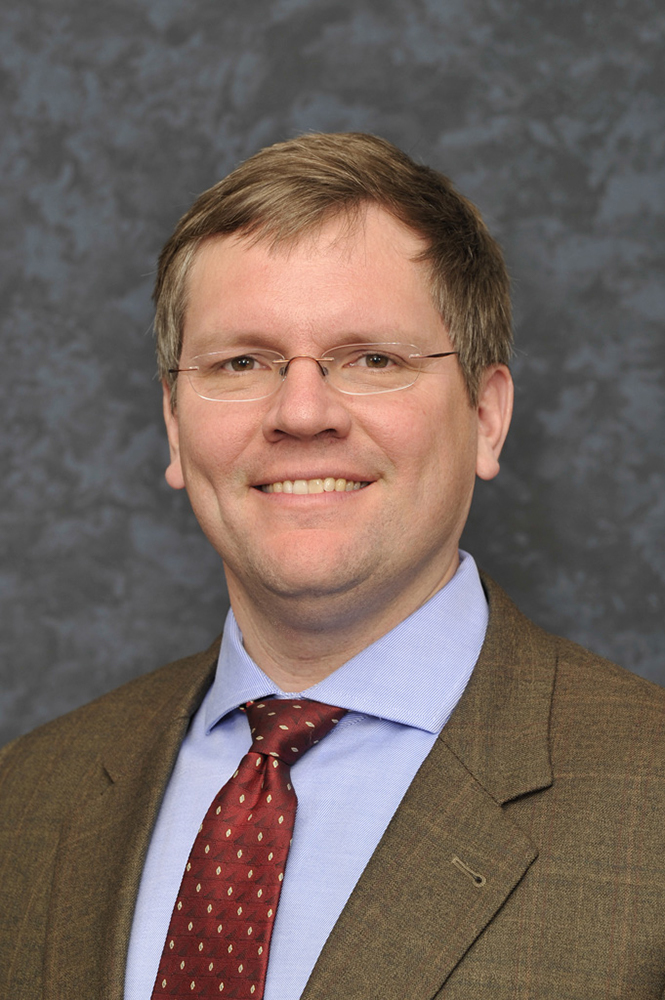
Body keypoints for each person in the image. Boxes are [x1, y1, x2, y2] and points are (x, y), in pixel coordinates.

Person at [1, 132, 664, 1000]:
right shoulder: (27, 798)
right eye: (242, 362)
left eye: (372, 360)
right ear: (173, 423)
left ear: (487, 416)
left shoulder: (645, 799)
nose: (301, 411)